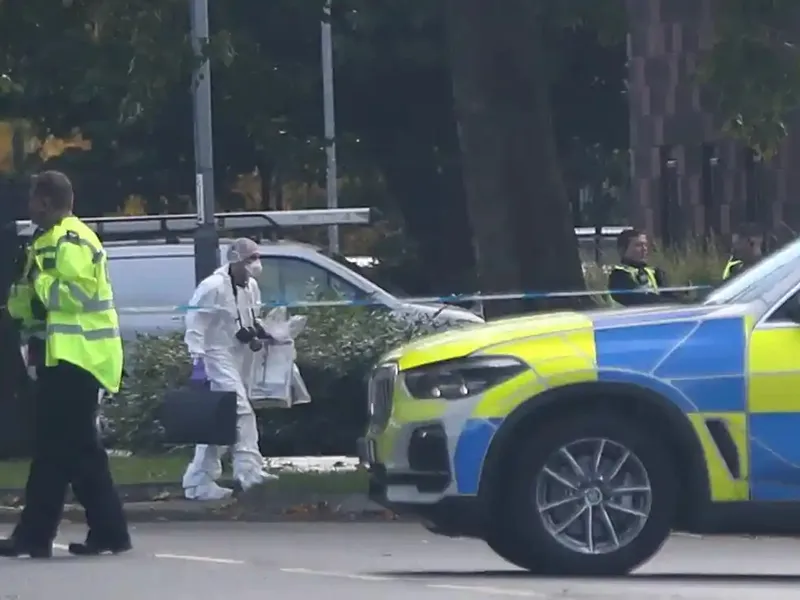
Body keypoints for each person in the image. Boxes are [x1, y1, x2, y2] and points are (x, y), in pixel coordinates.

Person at [0, 171, 131, 558]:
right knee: (73, 451)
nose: (28, 209)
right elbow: (32, 303)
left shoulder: (69, 239)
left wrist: (38, 279)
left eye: (32, 201)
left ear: (45, 201)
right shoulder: (48, 240)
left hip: (78, 358)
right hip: (65, 358)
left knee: (59, 450)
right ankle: (105, 531)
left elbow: (71, 295)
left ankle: (37, 536)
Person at [182, 238, 277, 501]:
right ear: (234, 259)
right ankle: (248, 472)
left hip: (238, 356)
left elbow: (249, 319)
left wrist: (259, 334)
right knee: (240, 411)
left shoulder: (251, 287)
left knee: (221, 420)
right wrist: (197, 361)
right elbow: (195, 322)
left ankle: (199, 481)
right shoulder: (213, 287)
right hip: (214, 355)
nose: (255, 264)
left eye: (257, 257)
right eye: (249, 259)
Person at [607, 228, 670, 307]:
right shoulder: (618, 275)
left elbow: (670, 296)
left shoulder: (654, 272)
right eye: (638, 245)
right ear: (622, 250)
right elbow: (636, 299)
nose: (644, 249)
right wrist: (663, 301)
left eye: (645, 245)